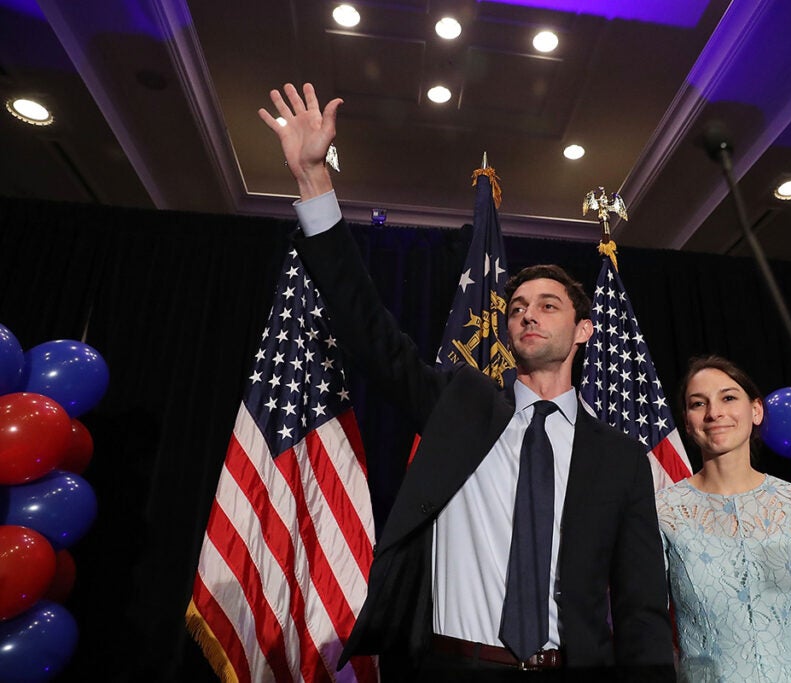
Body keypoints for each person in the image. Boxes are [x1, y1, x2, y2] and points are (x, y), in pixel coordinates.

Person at [258, 82, 674, 682]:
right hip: (450, 669)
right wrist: (314, 181)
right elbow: (369, 331)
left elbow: (639, 609)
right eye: (518, 305)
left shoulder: (621, 458)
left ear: (584, 330)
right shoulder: (461, 403)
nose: (528, 313)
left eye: (549, 305)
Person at [656, 355, 791, 683]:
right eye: (698, 403)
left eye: (728, 397)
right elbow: (646, 630)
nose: (714, 413)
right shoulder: (661, 512)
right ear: (687, 420)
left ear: (756, 410)